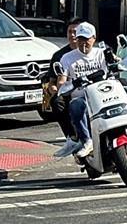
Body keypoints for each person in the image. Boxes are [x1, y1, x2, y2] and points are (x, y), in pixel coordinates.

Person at [55, 22, 127, 159]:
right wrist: (67, 84)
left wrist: (118, 61)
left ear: (94, 38)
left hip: (106, 93)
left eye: (87, 39)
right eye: (80, 39)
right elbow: (62, 81)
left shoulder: (101, 52)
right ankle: (86, 141)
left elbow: (118, 63)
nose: (84, 43)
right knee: (75, 105)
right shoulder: (67, 58)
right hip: (84, 97)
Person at [47, 18, 82, 155]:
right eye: (69, 32)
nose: (72, 35)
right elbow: (52, 81)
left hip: (91, 91)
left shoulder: (93, 52)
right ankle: (72, 138)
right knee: (56, 102)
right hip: (70, 92)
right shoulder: (60, 56)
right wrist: (54, 90)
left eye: (76, 32)